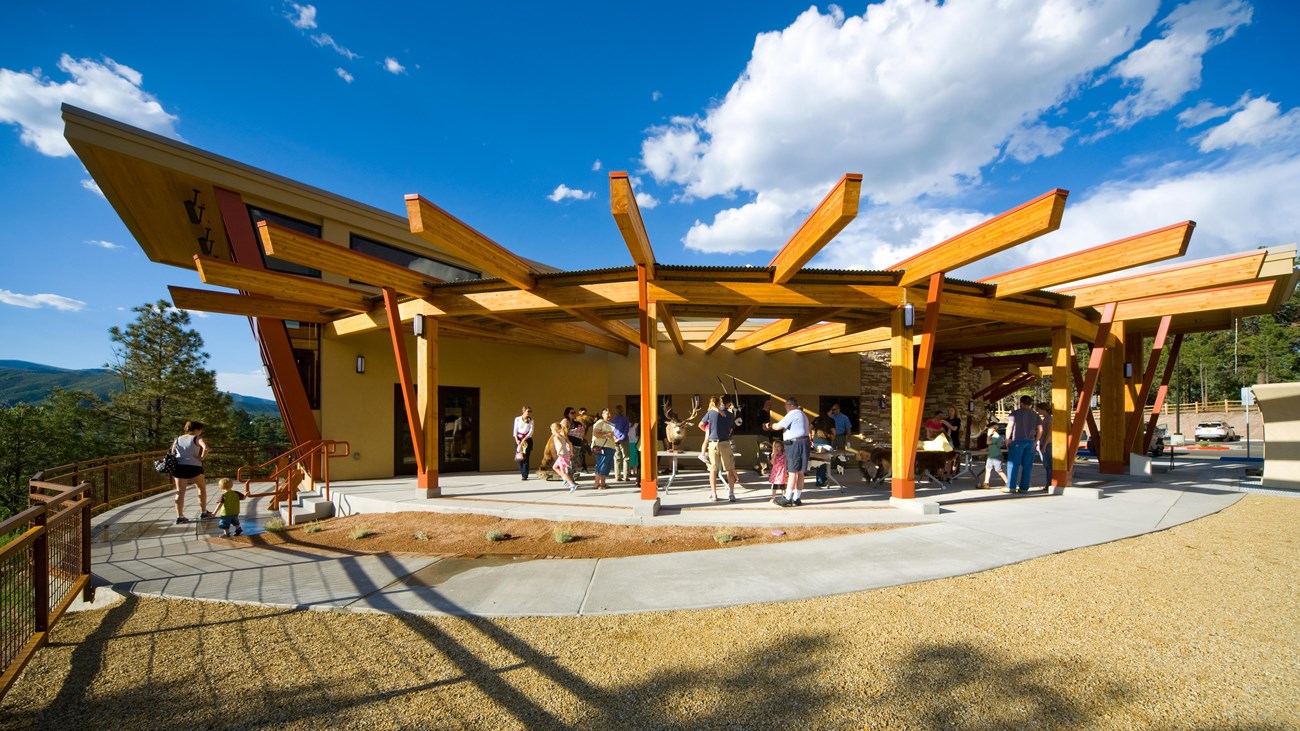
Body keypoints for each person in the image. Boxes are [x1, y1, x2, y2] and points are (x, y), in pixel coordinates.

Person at [766, 398, 810, 507]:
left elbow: (778, 426)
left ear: (790, 405)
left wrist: (769, 425)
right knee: (800, 472)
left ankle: (788, 498)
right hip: (804, 443)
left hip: (795, 444)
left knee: (792, 472)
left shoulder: (793, 413)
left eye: (785, 405)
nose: (785, 407)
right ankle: (797, 498)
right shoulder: (803, 414)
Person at [698, 395, 739, 502]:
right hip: (725, 442)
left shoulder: (711, 412)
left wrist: (710, 432)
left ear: (720, 402)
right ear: (729, 403)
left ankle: (714, 494)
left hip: (712, 443)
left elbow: (701, 424)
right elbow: (730, 430)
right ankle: (731, 493)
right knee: (729, 469)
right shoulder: (730, 415)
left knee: (713, 470)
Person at [171, 420, 210, 524]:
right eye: (201, 430)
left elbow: (172, 452)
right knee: (201, 488)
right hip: (194, 466)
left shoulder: (177, 439)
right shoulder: (197, 438)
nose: (201, 432)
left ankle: (180, 516)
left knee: (180, 491)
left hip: (179, 467)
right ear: (197, 429)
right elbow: (205, 448)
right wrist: (201, 457)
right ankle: (203, 511)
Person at [1005, 395, 1042, 494]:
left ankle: (1011, 486)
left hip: (1018, 440)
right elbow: (1040, 429)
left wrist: (1007, 439)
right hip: (1030, 441)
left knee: (1013, 464)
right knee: (1027, 465)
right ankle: (1024, 488)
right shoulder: (1035, 415)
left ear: (1021, 403)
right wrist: (1036, 441)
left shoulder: (1015, 413)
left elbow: (1010, 426)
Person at [590, 408, 617, 489]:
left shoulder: (609, 424)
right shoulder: (600, 423)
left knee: (607, 466)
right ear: (602, 415)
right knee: (602, 465)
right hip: (602, 447)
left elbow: (611, 435)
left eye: (610, 414)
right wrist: (606, 435)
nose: (609, 415)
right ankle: (596, 484)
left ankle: (603, 484)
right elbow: (595, 433)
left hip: (610, 446)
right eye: (607, 414)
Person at [550, 422, 577, 491]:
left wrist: (558, 452)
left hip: (562, 455)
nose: (551, 431)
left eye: (551, 430)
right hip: (565, 454)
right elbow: (570, 443)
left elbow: (561, 445)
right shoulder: (562, 436)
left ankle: (572, 484)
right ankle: (564, 478)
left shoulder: (556, 437)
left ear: (554, 430)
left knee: (563, 472)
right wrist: (571, 452)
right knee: (555, 467)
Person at [981, 423, 1009, 489]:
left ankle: (1007, 482)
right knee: (988, 469)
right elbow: (992, 445)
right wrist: (986, 449)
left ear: (993, 429)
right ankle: (986, 483)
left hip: (996, 456)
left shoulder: (996, 436)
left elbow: (988, 442)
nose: (988, 430)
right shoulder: (993, 436)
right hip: (991, 456)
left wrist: (988, 435)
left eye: (989, 429)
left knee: (998, 470)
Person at [513, 406, 534, 481]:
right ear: (524, 411)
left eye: (530, 412)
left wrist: (524, 440)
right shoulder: (517, 419)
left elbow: (531, 431)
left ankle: (525, 475)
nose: (529, 413)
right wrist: (517, 440)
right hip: (518, 439)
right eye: (528, 411)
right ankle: (522, 472)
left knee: (526, 457)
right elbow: (515, 430)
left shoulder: (531, 420)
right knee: (520, 456)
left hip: (526, 439)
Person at [610, 405, 631, 482]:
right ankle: (626, 476)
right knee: (626, 458)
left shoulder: (613, 420)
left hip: (615, 440)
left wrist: (615, 438)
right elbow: (626, 430)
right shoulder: (625, 420)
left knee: (617, 459)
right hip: (624, 440)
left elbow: (611, 431)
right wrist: (621, 438)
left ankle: (617, 476)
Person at [1036, 403, 1054, 490]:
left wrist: (1045, 445)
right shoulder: (1045, 419)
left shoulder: (1049, 420)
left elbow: (1049, 433)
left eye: (1038, 409)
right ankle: (1048, 483)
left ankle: (1049, 483)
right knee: (1046, 465)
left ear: (1043, 409)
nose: (1037, 411)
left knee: (1049, 465)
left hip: (1048, 444)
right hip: (1044, 443)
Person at [562, 407, 583, 479]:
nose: (574, 414)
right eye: (572, 413)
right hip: (570, 444)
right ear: (567, 414)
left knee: (574, 463)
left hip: (577, 444)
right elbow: (563, 433)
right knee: (570, 462)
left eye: (574, 412)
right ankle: (569, 480)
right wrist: (568, 442)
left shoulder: (576, 422)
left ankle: (571, 479)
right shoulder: (565, 421)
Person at [627, 413, 640, 482]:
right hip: (635, 442)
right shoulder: (637, 425)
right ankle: (634, 471)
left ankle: (629, 471)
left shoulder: (627, 425)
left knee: (629, 456)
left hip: (629, 442)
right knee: (635, 457)